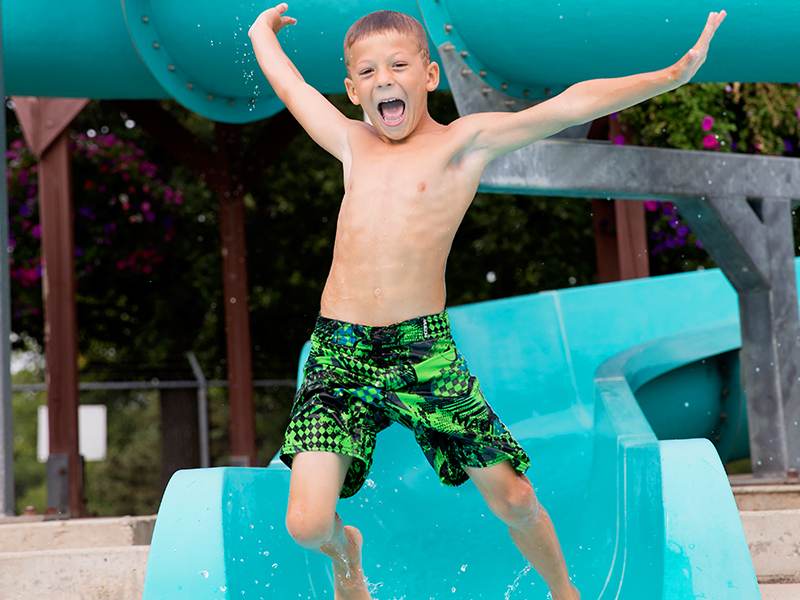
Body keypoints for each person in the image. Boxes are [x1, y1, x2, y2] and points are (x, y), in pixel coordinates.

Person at [248, 5, 726, 599]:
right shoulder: (352, 142)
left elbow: (567, 106)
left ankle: (564, 592)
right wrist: (260, 33)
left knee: (514, 498)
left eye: (398, 66)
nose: (384, 80)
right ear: (352, 90)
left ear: (428, 75)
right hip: (339, 352)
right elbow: (292, 88)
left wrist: (672, 75)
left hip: (421, 352)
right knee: (306, 523)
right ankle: (348, 557)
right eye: (367, 73)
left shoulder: (463, 143)